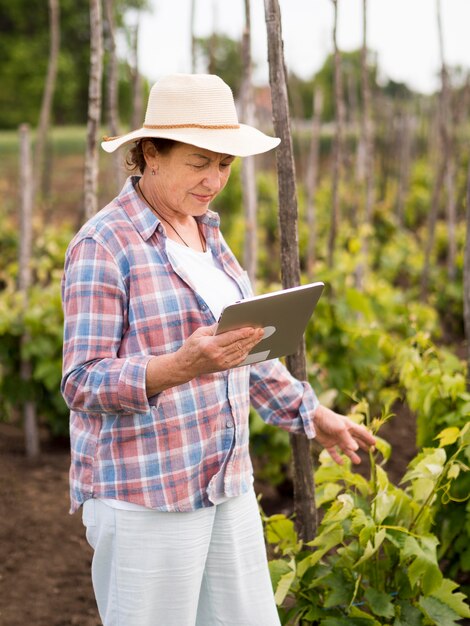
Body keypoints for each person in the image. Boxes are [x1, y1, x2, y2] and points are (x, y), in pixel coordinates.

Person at [61, 73, 376, 626]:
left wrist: (313, 414)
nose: (214, 180)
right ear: (150, 154)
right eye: (199, 162)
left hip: (224, 481)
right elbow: (81, 382)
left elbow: (245, 349)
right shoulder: (103, 244)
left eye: (224, 165)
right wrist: (179, 367)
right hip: (146, 493)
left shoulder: (207, 232)